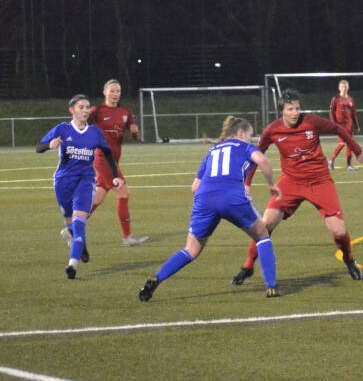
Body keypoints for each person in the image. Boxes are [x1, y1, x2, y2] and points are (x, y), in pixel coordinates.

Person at [139, 116, 282, 301]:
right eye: (250, 135)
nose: (251, 139)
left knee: (191, 250)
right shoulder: (244, 147)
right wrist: (271, 184)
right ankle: (271, 286)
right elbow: (262, 160)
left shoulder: (212, 150)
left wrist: (207, 205)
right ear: (240, 133)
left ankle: (156, 279)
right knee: (262, 235)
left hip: (204, 199)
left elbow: (194, 187)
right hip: (232, 197)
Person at [232, 88, 363, 286]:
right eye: (290, 109)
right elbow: (256, 156)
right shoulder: (272, 130)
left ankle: (349, 259)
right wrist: (247, 183)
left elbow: (338, 129)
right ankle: (248, 266)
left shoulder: (311, 122)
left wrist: (357, 150)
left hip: (320, 181)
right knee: (264, 225)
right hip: (290, 182)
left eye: (297, 108)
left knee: (338, 231)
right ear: (282, 111)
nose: (295, 112)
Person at [36, 94, 124, 279]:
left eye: (87, 107)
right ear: (72, 110)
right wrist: (49, 145)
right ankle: (78, 242)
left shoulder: (95, 132)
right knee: (71, 224)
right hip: (63, 183)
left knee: (79, 222)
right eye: (81, 107)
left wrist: (115, 177)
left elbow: (108, 154)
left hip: (85, 181)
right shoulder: (62, 129)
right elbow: (39, 147)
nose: (85, 110)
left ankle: (72, 264)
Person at [84, 79, 149, 247]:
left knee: (97, 198)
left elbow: (136, 137)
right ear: (104, 92)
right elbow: (80, 124)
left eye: (118, 91)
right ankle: (127, 237)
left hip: (114, 161)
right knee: (123, 194)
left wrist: (135, 133)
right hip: (102, 159)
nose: (115, 94)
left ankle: (71, 227)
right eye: (112, 91)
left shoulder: (125, 112)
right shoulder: (97, 111)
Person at [328, 79, 361, 171]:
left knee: (350, 145)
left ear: (348, 88)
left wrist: (357, 125)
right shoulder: (335, 99)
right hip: (340, 126)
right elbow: (331, 112)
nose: (344, 88)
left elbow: (353, 114)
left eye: (346, 87)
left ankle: (349, 166)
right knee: (342, 143)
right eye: (342, 87)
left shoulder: (351, 99)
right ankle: (331, 161)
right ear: (339, 88)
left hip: (349, 126)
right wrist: (333, 123)